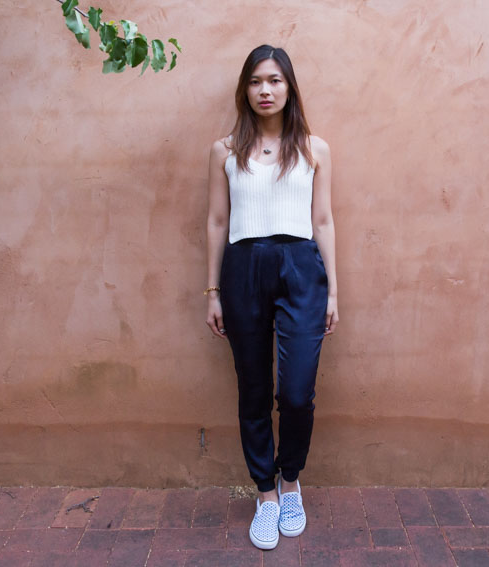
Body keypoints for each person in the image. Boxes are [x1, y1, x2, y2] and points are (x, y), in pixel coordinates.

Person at [205, 44, 339, 550]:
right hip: (243, 268)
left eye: (275, 80)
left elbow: (323, 220)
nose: (266, 90)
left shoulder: (313, 148)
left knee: (298, 391)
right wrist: (213, 291)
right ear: (245, 88)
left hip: (302, 268)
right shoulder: (224, 151)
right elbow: (217, 222)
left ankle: (290, 481)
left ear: (289, 87)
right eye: (257, 81)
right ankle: (265, 495)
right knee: (254, 388)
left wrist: (333, 292)